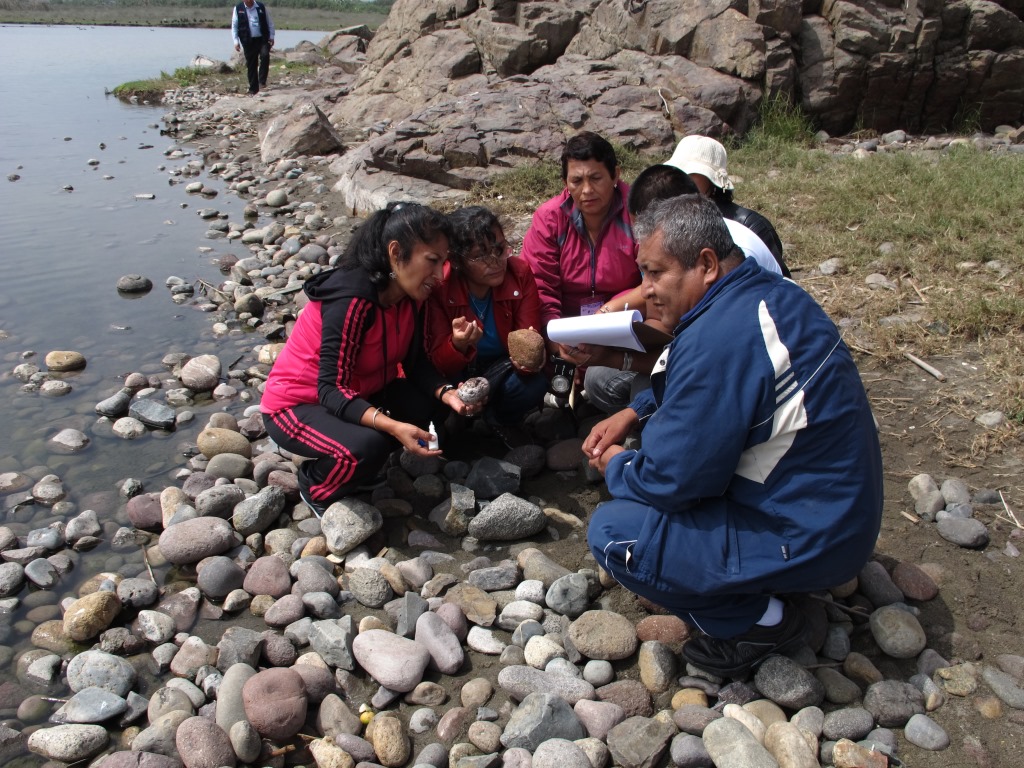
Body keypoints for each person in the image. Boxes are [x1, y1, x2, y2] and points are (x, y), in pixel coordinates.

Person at [583, 194, 883, 678]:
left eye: (656, 273)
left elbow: (672, 481)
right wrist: (636, 412)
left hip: (812, 536)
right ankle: (777, 581)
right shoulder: (777, 294)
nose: (646, 291)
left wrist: (618, 463)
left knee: (615, 531)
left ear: (704, 264)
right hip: (840, 517)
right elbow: (727, 394)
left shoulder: (716, 337)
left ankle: (761, 624)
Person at [260, 202, 478, 517]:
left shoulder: (411, 297)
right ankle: (316, 485)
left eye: (442, 262)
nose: (439, 276)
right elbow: (330, 389)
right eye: (432, 261)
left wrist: (449, 394)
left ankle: (361, 461)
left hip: (358, 392)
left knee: (428, 405)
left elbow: (415, 364)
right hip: (296, 406)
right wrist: (391, 426)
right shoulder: (353, 301)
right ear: (395, 252)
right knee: (365, 448)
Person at [565, 164, 780, 415]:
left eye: (655, 272)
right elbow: (667, 326)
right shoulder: (689, 245)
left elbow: (701, 360)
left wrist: (624, 442)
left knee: (649, 390)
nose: (646, 290)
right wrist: (606, 320)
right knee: (601, 379)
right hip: (707, 355)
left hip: (737, 375)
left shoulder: (733, 260)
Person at [425, 207, 548, 438]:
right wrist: (458, 345)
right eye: (480, 255)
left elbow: (528, 336)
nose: (496, 261)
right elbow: (436, 361)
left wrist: (530, 357)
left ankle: (499, 419)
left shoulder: (519, 274)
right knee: (430, 395)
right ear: (458, 260)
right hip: (459, 374)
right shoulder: (440, 287)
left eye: (499, 249)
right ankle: (457, 419)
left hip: (502, 368)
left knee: (533, 384)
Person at [521, 131, 640, 337]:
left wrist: (606, 312)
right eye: (576, 181)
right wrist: (557, 340)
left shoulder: (637, 211)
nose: (587, 190)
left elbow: (656, 280)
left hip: (625, 320)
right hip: (565, 328)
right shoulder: (549, 219)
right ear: (565, 182)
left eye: (595, 178)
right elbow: (540, 288)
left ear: (615, 175)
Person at [666, 135, 790, 276]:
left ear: (712, 181)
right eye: (677, 172)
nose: (682, 179)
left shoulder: (750, 225)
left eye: (692, 173)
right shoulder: (667, 219)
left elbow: (780, 284)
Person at [232, 0, 275, 96]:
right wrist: (236, 41)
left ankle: (262, 81)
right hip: (247, 40)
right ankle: (253, 89)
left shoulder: (260, 7)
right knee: (251, 64)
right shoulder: (238, 8)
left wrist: (271, 36)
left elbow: (270, 22)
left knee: (265, 55)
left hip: (262, 39)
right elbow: (234, 26)